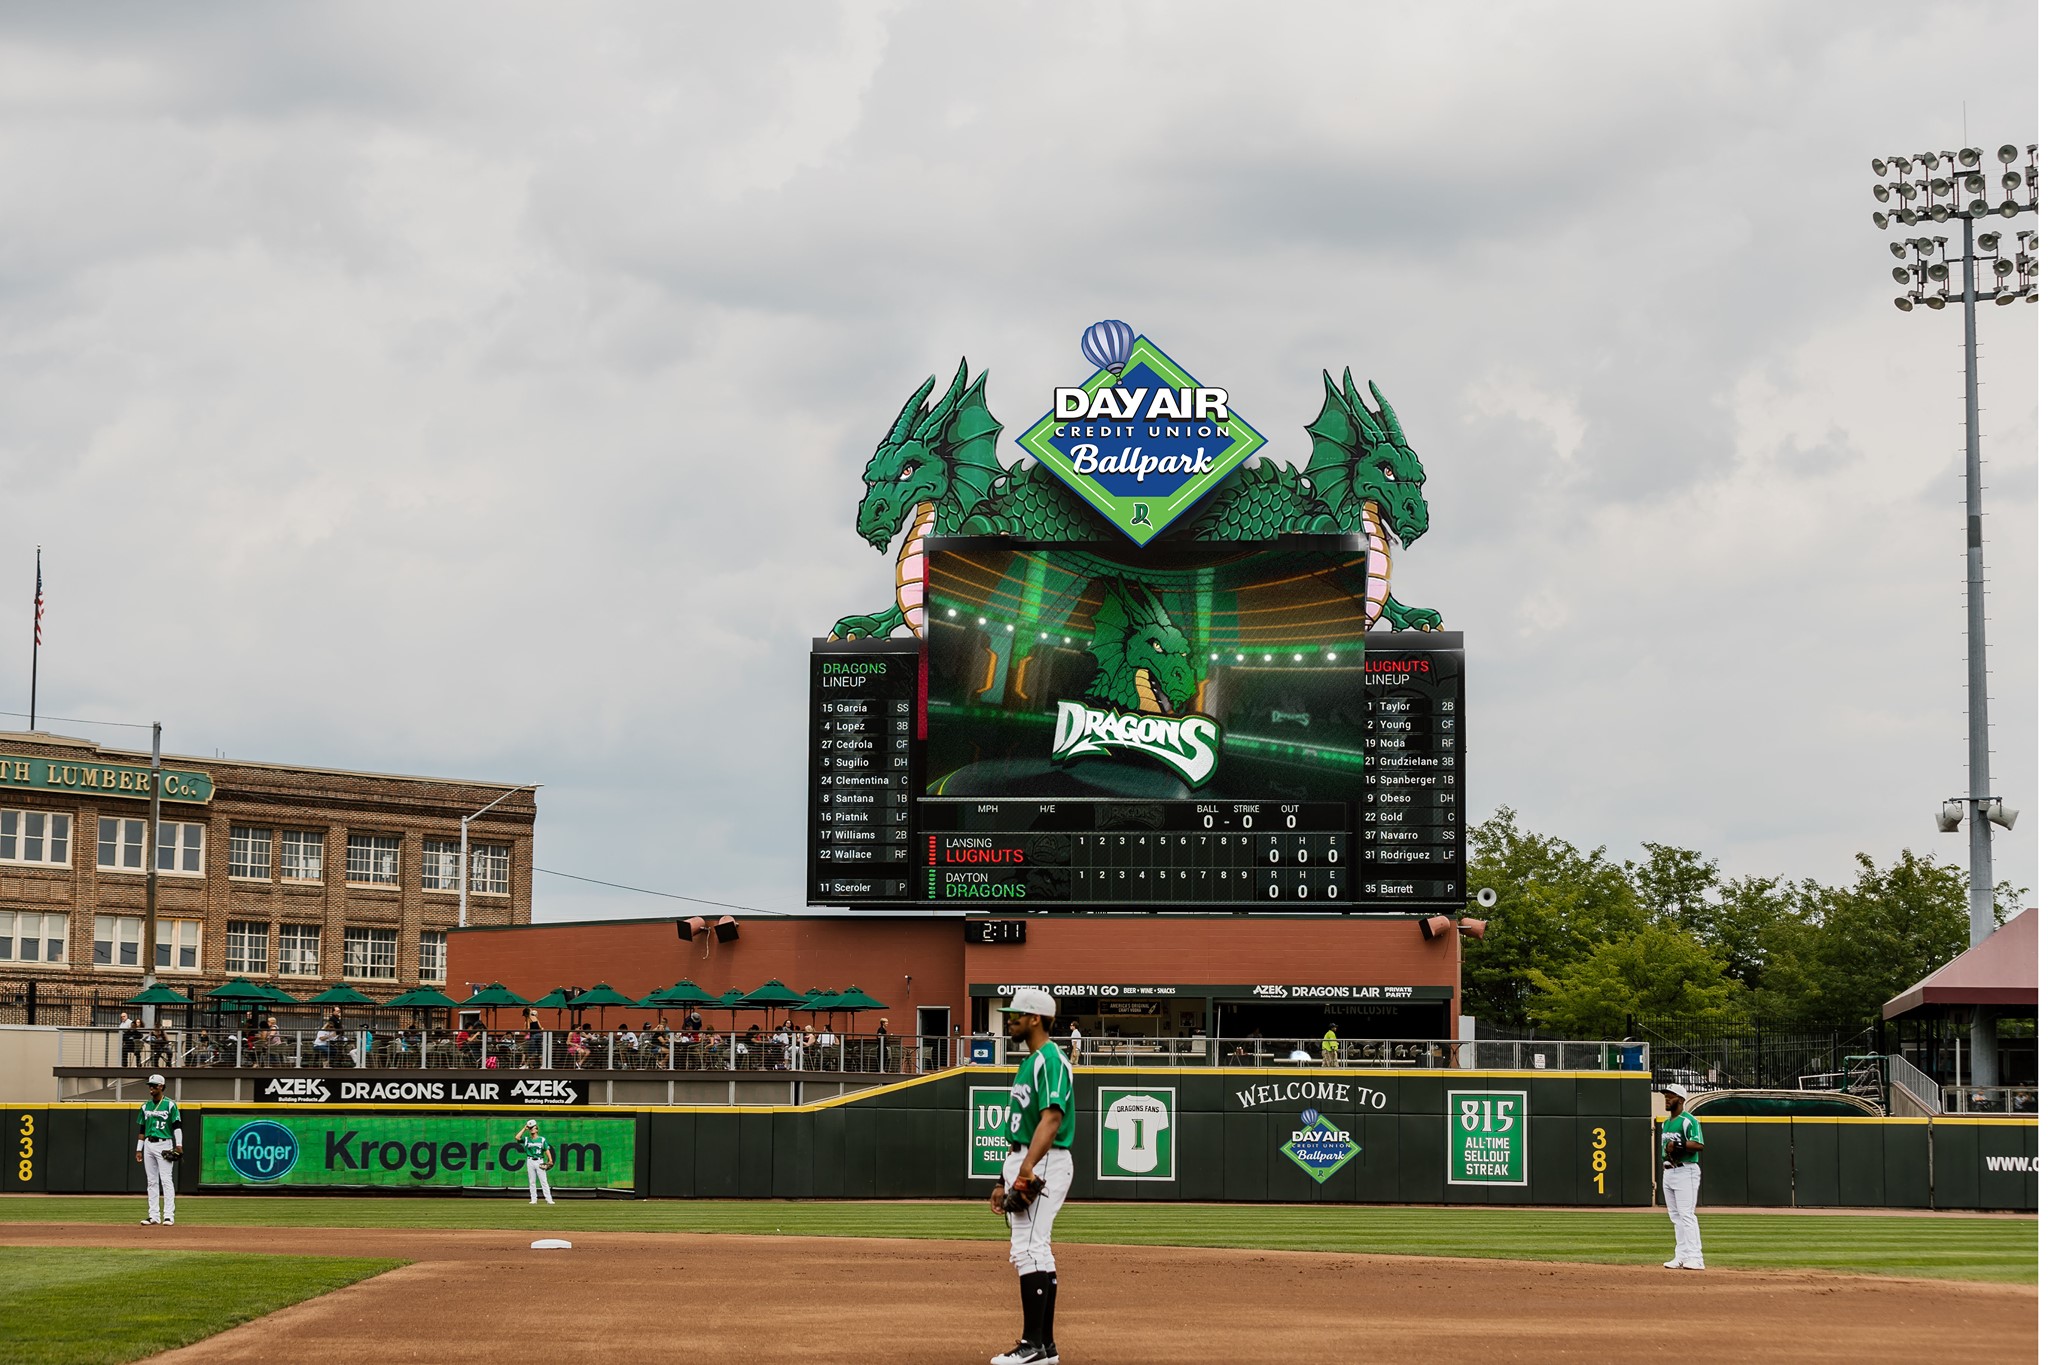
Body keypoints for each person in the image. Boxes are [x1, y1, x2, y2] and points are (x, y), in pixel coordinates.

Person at [986, 987, 1073, 1365]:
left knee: (1028, 1249)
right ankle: (1046, 1347)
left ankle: (1031, 1346)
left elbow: (1051, 1118)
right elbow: (1021, 1125)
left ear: (1035, 1018)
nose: (1010, 1019)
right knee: (1038, 1248)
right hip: (1028, 1158)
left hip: (1045, 1159)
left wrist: (1027, 1167)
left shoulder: (1051, 1060)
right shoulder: (1030, 1061)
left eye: (1016, 1014)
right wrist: (1002, 1178)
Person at [1659, 1082, 1706, 1270]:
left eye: (1670, 1096)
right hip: (1669, 1171)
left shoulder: (1689, 1120)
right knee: (1675, 1216)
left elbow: (1699, 1145)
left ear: (1680, 1099)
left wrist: (1677, 1147)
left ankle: (1696, 1257)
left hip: (1686, 1170)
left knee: (1686, 1215)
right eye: (1665, 1096)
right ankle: (1681, 1255)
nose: (1667, 1099)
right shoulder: (1665, 1122)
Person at [135, 1073, 183, 1225]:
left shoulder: (170, 1104)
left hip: (164, 1144)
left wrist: (179, 1145)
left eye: (154, 1085)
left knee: (166, 1180)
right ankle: (154, 1215)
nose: (151, 1088)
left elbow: (177, 1126)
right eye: (150, 1085)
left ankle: (169, 1215)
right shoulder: (145, 1106)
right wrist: (138, 1149)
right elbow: (142, 1129)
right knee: (151, 1181)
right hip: (148, 1144)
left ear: (161, 1086)